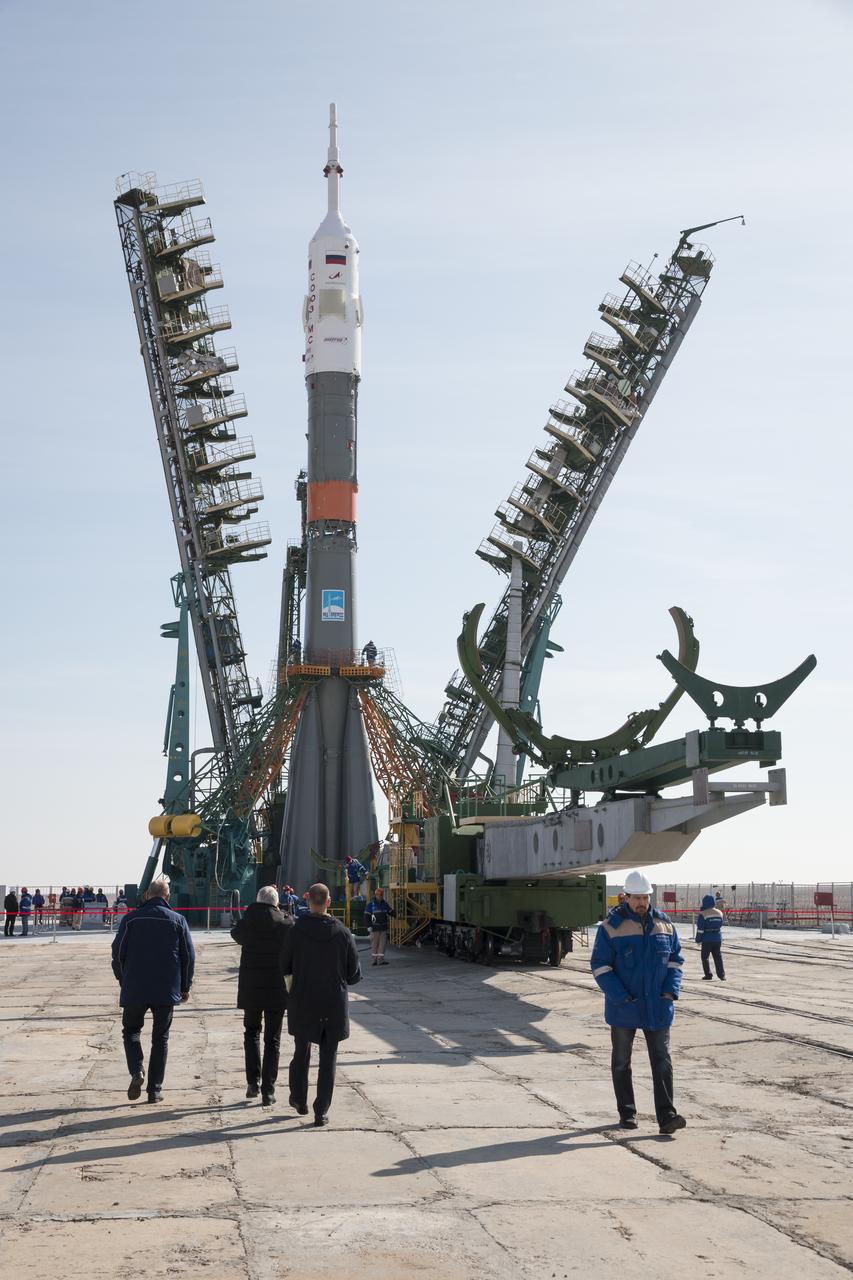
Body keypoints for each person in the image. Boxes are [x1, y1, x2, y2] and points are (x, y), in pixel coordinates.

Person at [590, 869, 687, 1136]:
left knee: (662, 1061)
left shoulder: (664, 925)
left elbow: (676, 962)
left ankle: (667, 1116)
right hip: (625, 1007)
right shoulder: (612, 927)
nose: (642, 902)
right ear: (626, 897)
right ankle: (627, 1113)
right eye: (637, 898)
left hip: (657, 1005)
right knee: (621, 1061)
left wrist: (670, 991)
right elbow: (600, 965)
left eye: (645, 897)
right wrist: (621, 996)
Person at [282, 882, 361, 1126]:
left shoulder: (295, 931)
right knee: (328, 1057)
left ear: (308, 902)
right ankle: (321, 1111)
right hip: (332, 1003)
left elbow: (284, 966)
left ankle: (298, 1098)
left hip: (303, 1000)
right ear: (328, 902)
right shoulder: (342, 932)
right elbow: (354, 974)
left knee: (301, 1050)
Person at [110, 877, 195, 1103]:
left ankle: (137, 1071)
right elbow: (188, 956)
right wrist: (185, 987)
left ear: (147, 895)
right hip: (166, 990)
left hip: (135, 988)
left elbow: (117, 953)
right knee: (161, 1038)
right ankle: (154, 1090)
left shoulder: (130, 920)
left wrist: (123, 979)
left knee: (131, 1031)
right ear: (167, 897)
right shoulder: (178, 920)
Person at [230, 886, 293, 1106]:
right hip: (277, 988)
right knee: (272, 1040)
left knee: (251, 1034)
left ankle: (252, 1083)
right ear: (276, 902)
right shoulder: (285, 923)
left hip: (252, 988)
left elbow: (235, 933)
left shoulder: (248, 922)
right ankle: (269, 1090)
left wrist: (247, 914)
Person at [696, 894, 726, 981]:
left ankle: (708, 974)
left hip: (707, 939)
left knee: (705, 957)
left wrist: (698, 939)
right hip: (717, 938)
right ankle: (721, 975)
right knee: (718, 957)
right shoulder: (720, 913)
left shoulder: (703, 914)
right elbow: (720, 924)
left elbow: (700, 929)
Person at [364, 887, 395, 966]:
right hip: (375, 928)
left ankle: (380, 960)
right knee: (375, 944)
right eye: (378, 895)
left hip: (383, 928)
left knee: (382, 944)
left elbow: (390, 911)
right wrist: (369, 926)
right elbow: (366, 916)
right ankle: (374, 960)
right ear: (376, 895)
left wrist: (396, 914)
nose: (380, 896)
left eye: (381, 895)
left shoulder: (385, 904)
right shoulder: (370, 905)